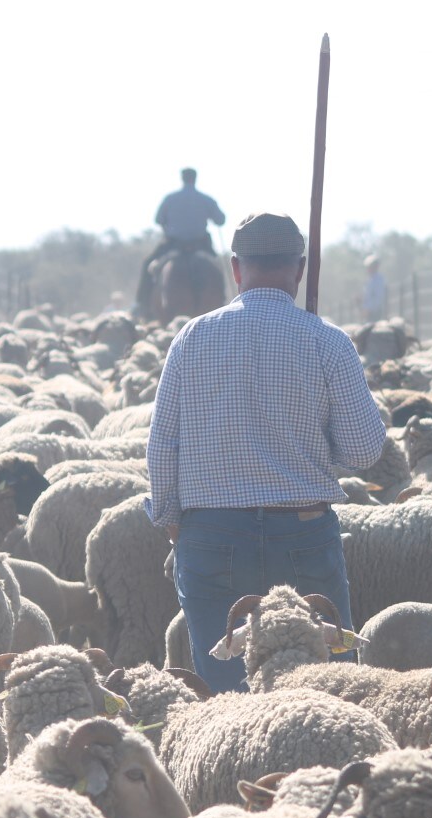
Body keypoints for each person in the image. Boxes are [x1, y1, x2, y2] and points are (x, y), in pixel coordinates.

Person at [145, 212, 388, 692]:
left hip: (210, 532)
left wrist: (176, 526)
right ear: (299, 270)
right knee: (324, 690)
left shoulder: (191, 339)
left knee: (226, 698)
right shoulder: (328, 341)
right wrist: (314, 443)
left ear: (236, 268)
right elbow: (364, 451)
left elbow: (161, 447)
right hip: (302, 529)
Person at [135, 168, 226, 317]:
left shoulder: (170, 198)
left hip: (173, 244)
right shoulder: (206, 199)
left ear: (182, 179)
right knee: (219, 267)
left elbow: (158, 220)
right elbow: (221, 220)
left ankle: (141, 305)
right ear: (195, 179)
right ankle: (223, 298)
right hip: (200, 244)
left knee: (148, 264)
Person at [361, 253, 386, 322]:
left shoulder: (378, 280)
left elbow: (378, 298)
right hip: (370, 313)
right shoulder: (371, 280)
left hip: (375, 313)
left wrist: (368, 309)